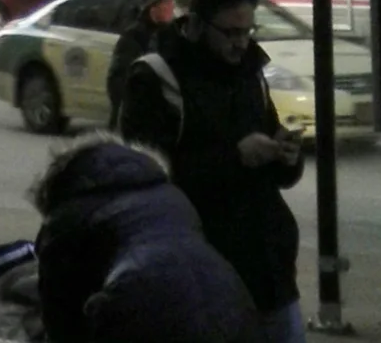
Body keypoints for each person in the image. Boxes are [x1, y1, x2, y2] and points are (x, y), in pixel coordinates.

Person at [117, 0, 303, 343]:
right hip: (201, 275)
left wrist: (285, 156)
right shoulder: (157, 79)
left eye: (248, 32)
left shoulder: (250, 74)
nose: (241, 44)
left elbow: (273, 168)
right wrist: (236, 158)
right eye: (231, 33)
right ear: (198, 26)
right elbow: (148, 182)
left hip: (270, 271)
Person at [34, 133, 262, 343]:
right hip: (230, 299)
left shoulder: (66, 218)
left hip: (144, 308)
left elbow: (61, 320)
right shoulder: (170, 194)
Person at [107, 0, 178, 127]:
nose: (173, 6)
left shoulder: (171, 36)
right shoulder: (133, 38)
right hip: (137, 123)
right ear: (153, 8)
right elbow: (118, 82)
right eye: (168, 2)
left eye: (173, 1)